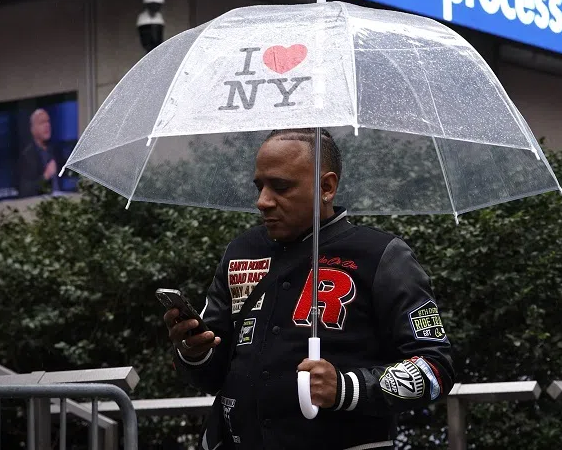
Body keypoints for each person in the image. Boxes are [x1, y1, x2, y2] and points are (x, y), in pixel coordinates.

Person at [164, 128, 454, 450]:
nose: (262, 201)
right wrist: (194, 353)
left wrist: (346, 388)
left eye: (280, 187)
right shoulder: (240, 251)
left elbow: (435, 368)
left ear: (326, 187)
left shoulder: (382, 255)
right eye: (259, 186)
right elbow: (212, 375)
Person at [17, 108, 60, 198]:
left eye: (48, 121)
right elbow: (25, 192)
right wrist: (45, 176)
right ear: (33, 129)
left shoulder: (56, 150)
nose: (47, 125)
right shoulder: (27, 156)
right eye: (42, 122)